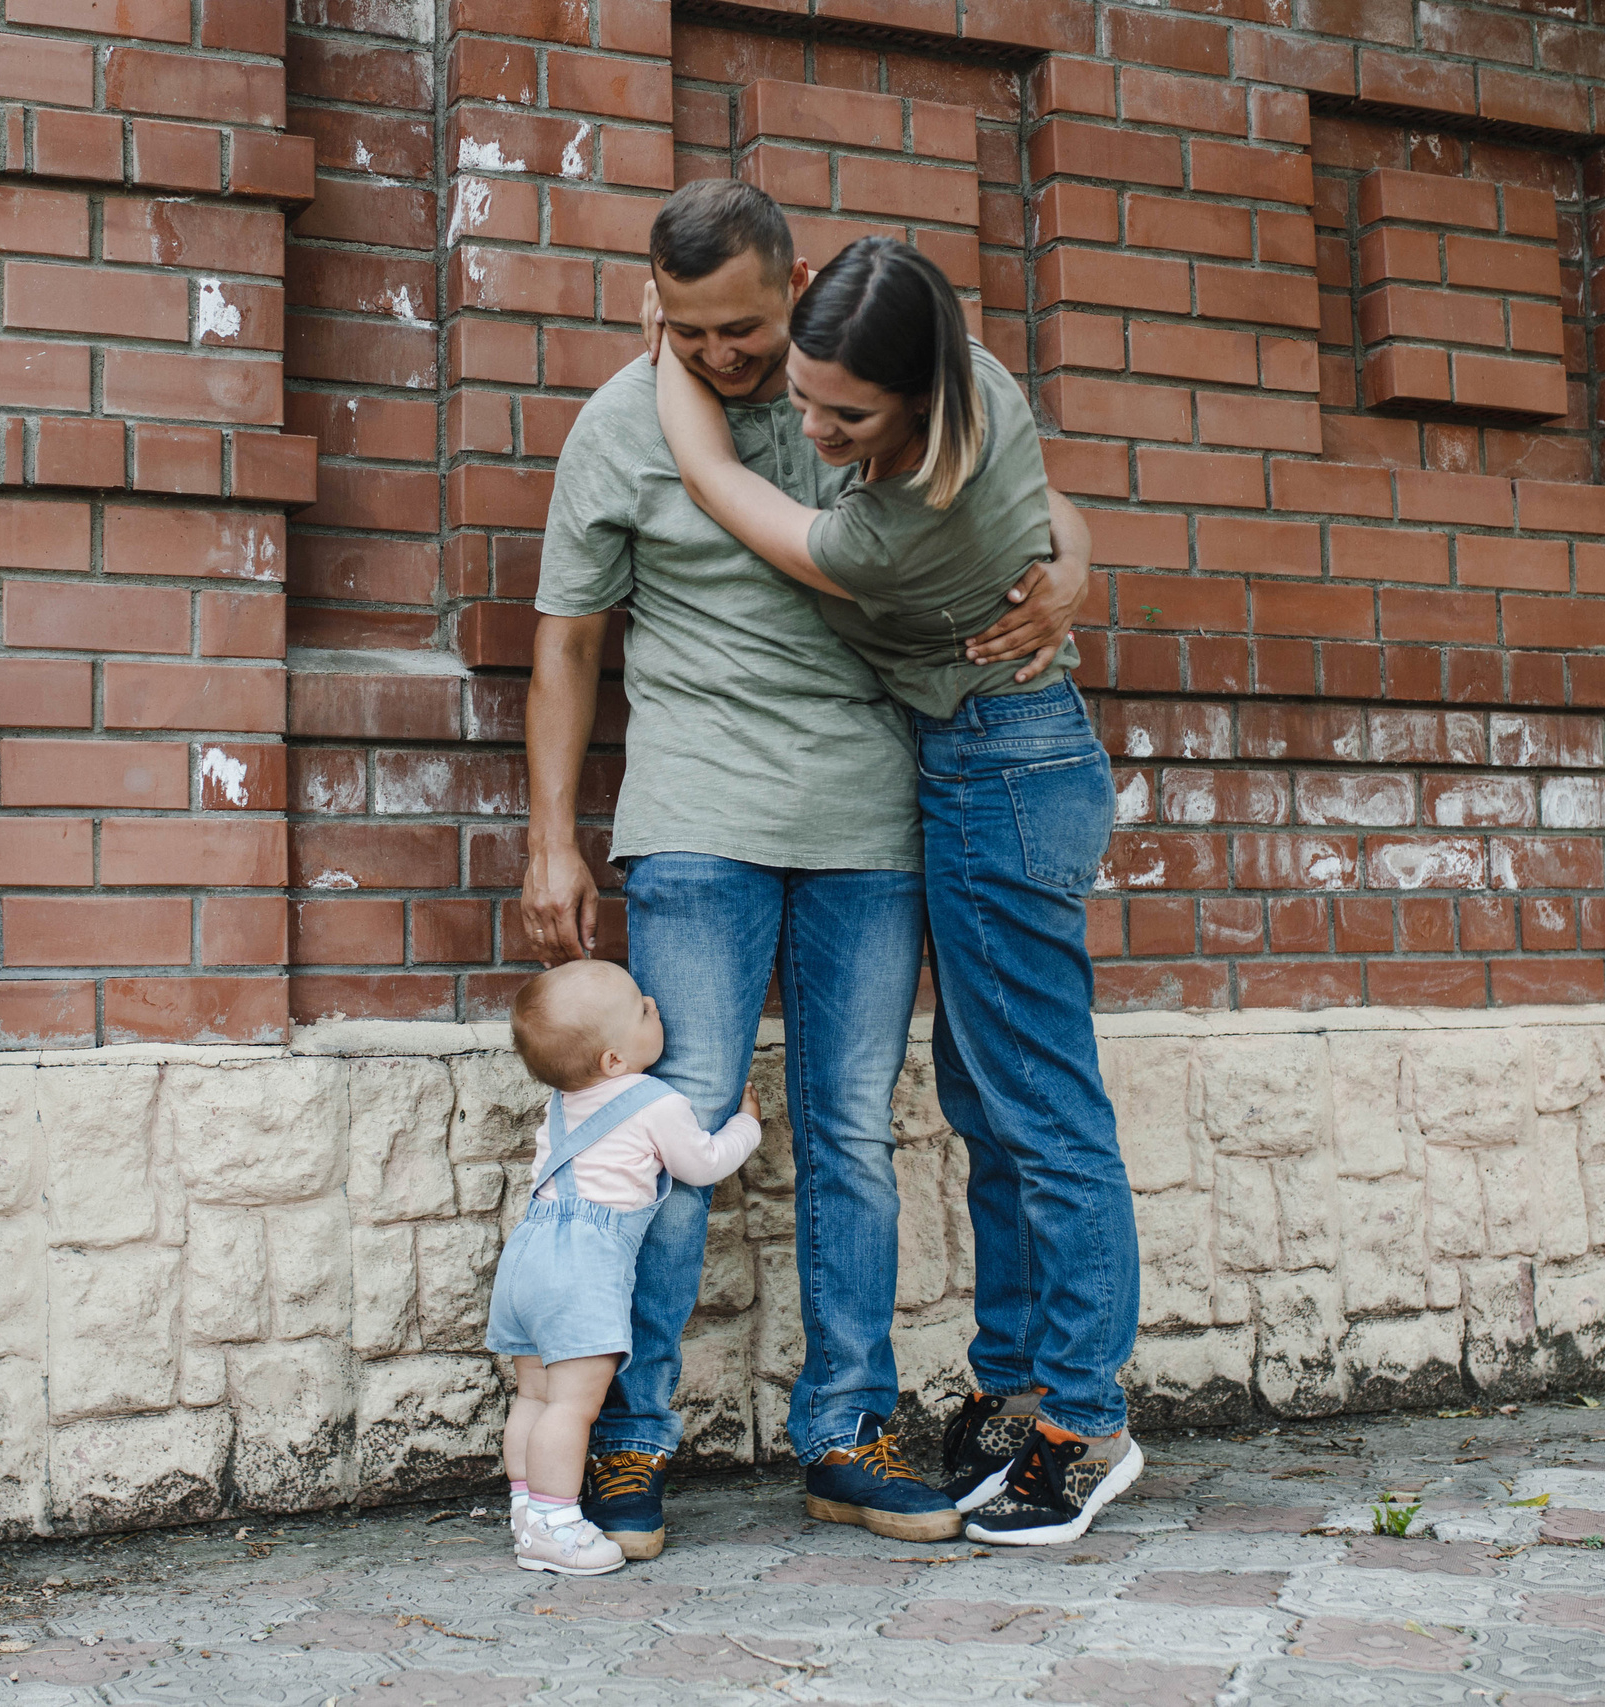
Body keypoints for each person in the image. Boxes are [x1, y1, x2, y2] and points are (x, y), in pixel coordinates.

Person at [521, 178, 1095, 1555]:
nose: (725, 356)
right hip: (695, 808)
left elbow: (1022, 497)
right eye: (692, 331)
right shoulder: (620, 424)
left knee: (853, 1128)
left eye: (746, 328)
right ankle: (630, 1434)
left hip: (866, 810)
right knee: (672, 1126)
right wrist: (550, 835)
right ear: (656, 311)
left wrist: (1073, 568)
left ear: (796, 289)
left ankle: (846, 1427)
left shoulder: (854, 398)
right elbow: (568, 639)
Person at [652, 234, 1142, 1546]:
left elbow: (713, 477)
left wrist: (670, 342)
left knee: (1044, 1108)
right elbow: (1056, 510)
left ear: (921, 397)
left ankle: (1084, 1422)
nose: (815, 430)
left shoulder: (899, 521)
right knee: (990, 1097)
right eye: (804, 397)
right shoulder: (975, 369)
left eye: (846, 417)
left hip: (1001, 770)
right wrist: (1075, 566)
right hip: (1000, 757)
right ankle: (1018, 1388)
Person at [486, 959, 765, 1575]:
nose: (655, 1006)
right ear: (615, 1060)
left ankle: (527, 1511)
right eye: (643, 1008)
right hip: (582, 1270)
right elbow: (702, 1163)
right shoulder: (655, 1100)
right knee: (573, 1407)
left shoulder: (564, 1102)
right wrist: (747, 1124)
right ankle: (556, 1526)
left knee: (532, 1396)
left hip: (527, 1256)